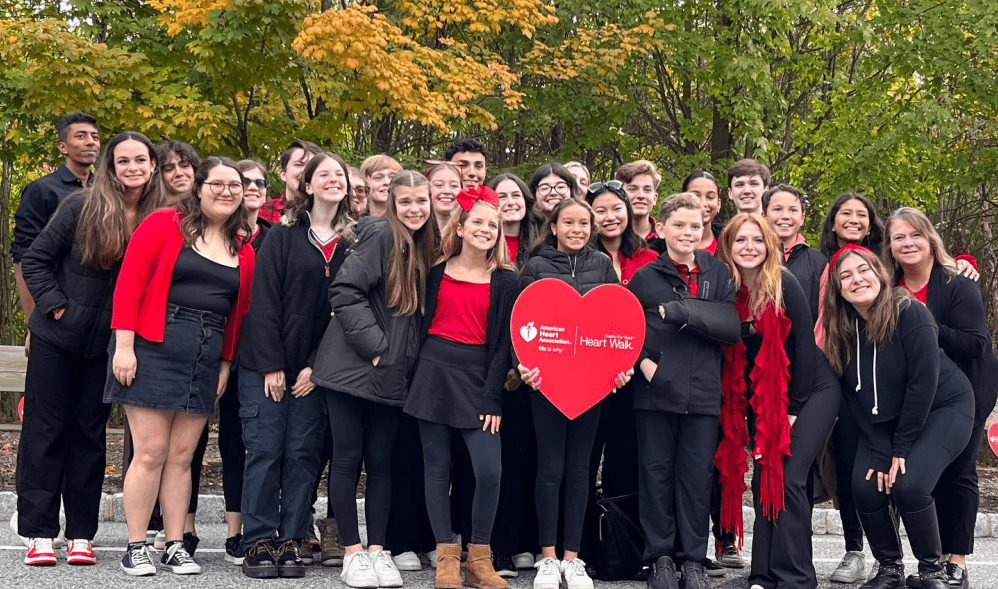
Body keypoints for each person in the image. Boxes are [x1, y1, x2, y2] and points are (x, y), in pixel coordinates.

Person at [16, 131, 163, 567]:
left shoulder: (161, 219)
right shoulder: (82, 206)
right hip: (57, 340)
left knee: (89, 435)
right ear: (111, 168)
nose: (133, 167)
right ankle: (39, 533)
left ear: (153, 165)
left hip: (109, 347)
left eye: (141, 159)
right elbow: (35, 260)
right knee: (45, 431)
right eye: (124, 161)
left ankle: (81, 532)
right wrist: (57, 308)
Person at [106, 156, 255, 576]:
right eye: (218, 184)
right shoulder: (164, 223)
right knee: (151, 451)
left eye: (235, 186)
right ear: (199, 187)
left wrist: (225, 363)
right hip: (151, 345)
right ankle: (136, 546)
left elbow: (237, 314)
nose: (226, 192)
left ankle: (175, 545)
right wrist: (124, 347)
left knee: (183, 455)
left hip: (206, 354)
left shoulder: (242, 248)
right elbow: (130, 282)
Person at [310, 171, 437, 589]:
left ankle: (378, 551)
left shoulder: (424, 245)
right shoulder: (381, 233)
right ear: (392, 205)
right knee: (348, 458)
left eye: (422, 201)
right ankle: (352, 553)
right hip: (352, 368)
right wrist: (377, 347)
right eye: (407, 202)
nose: (415, 209)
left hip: (392, 376)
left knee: (381, 463)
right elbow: (345, 291)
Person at [820, 245, 974, 589]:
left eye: (864, 270)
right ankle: (889, 567)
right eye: (846, 276)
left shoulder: (909, 311)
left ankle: (933, 571)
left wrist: (899, 449)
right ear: (838, 289)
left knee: (910, 484)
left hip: (943, 407)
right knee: (865, 485)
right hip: (884, 424)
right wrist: (878, 446)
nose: (857, 279)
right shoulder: (842, 331)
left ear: (880, 274)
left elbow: (923, 385)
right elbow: (854, 398)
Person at [236, 152, 355, 579]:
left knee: (303, 454)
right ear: (307, 186)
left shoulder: (354, 241)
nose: (332, 181)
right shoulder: (282, 236)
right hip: (265, 366)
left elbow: (347, 314)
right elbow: (263, 302)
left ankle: (291, 538)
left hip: (316, 372)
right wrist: (272, 366)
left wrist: (315, 369)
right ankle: (258, 541)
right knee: (265, 451)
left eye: (339, 175)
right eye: (323, 175)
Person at [714, 214, 840, 589]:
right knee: (765, 479)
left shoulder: (783, 283)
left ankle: (797, 577)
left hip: (811, 391)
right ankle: (765, 574)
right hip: (761, 399)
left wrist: (793, 410)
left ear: (770, 245)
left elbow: (803, 346)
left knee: (786, 477)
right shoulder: (725, 289)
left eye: (757, 240)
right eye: (740, 240)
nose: (749, 247)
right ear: (728, 247)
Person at [404, 185, 516, 589]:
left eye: (494, 225)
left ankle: (479, 558)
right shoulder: (437, 270)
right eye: (479, 222)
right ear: (463, 227)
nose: (486, 229)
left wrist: (492, 395)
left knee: (489, 470)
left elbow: (503, 344)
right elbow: (419, 327)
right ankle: (446, 558)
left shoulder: (505, 280)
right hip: (434, 371)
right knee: (437, 469)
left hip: (478, 376)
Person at [626, 193, 740, 589]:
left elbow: (729, 327)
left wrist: (684, 312)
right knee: (655, 475)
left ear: (704, 228)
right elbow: (626, 329)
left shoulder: (719, 274)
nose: (687, 232)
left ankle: (693, 558)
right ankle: (659, 557)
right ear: (661, 228)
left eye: (695, 225)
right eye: (678, 225)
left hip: (704, 394)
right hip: (655, 393)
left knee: (695, 478)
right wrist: (644, 364)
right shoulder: (645, 277)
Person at [517, 197, 630, 589]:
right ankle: (548, 558)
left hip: (592, 385)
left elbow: (618, 323)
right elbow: (522, 323)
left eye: (584, 223)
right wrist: (524, 367)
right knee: (550, 468)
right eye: (569, 223)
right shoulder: (536, 266)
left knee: (581, 469)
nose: (578, 230)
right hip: (546, 384)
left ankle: (573, 559)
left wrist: (621, 368)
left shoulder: (602, 266)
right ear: (553, 227)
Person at [883, 208, 998, 589]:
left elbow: (976, 343)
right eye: (899, 238)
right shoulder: (888, 287)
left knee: (960, 470)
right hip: (918, 393)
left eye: (915, 235)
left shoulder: (957, 282)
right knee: (923, 474)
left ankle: (957, 562)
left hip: (969, 386)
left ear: (930, 239)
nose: (908, 243)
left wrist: (924, 322)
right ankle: (928, 562)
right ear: (891, 247)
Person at [580, 180, 657, 569]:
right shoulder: (579, 257)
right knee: (585, 458)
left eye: (616, 209)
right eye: (599, 211)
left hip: (634, 378)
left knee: (625, 460)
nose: (609, 217)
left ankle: (621, 547)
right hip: (588, 376)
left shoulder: (648, 258)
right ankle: (581, 548)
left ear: (628, 213)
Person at [486, 172, 541, 575]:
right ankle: (497, 545)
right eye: (500, 195)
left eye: (515, 194)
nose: (510, 201)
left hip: (537, 370)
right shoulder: (484, 244)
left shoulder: (542, 248)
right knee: (496, 460)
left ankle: (527, 541)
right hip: (494, 368)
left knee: (530, 457)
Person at [12, 112, 100, 335]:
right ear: (63, 147)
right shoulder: (41, 190)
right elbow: (23, 258)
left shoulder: (106, 191)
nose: (90, 141)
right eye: (80, 136)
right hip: (53, 311)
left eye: (95, 137)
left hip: (96, 317)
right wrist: (34, 324)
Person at [762, 184, 826, 320]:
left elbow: (823, 316)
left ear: (802, 218)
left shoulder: (818, 262)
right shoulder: (751, 256)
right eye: (777, 209)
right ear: (764, 216)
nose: (785, 216)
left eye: (793, 210)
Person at [259, 140, 321, 223]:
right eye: (299, 164)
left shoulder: (330, 213)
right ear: (283, 174)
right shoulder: (263, 212)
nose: (306, 171)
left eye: (312, 166)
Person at [489, 172, 536, 267]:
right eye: (502, 197)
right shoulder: (482, 242)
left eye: (516, 195)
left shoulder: (540, 240)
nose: (510, 202)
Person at [615, 160, 661, 241]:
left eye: (647, 190)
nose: (641, 195)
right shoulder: (608, 238)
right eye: (632, 189)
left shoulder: (666, 237)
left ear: (655, 198)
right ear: (619, 194)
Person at [681, 171, 722, 254]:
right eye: (695, 196)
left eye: (710, 197)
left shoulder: (730, 243)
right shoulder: (665, 245)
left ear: (718, 203)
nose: (703, 203)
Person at [156, 141, 200, 206]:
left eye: (185, 165)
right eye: (169, 169)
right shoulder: (150, 213)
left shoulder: (209, 210)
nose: (179, 173)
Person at [427, 161, 464, 231]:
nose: (447, 191)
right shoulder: (415, 231)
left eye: (454, 186)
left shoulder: (468, 232)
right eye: (439, 185)